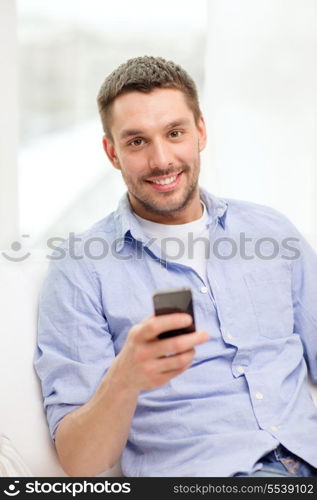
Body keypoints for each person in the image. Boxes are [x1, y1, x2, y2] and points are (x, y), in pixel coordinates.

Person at [34, 56, 317, 478]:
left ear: (200, 132)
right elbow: (81, 463)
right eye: (136, 142)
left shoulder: (270, 231)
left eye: (175, 133)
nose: (162, 160)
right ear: (112, 152)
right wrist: (126, 377)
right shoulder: (79, 269)